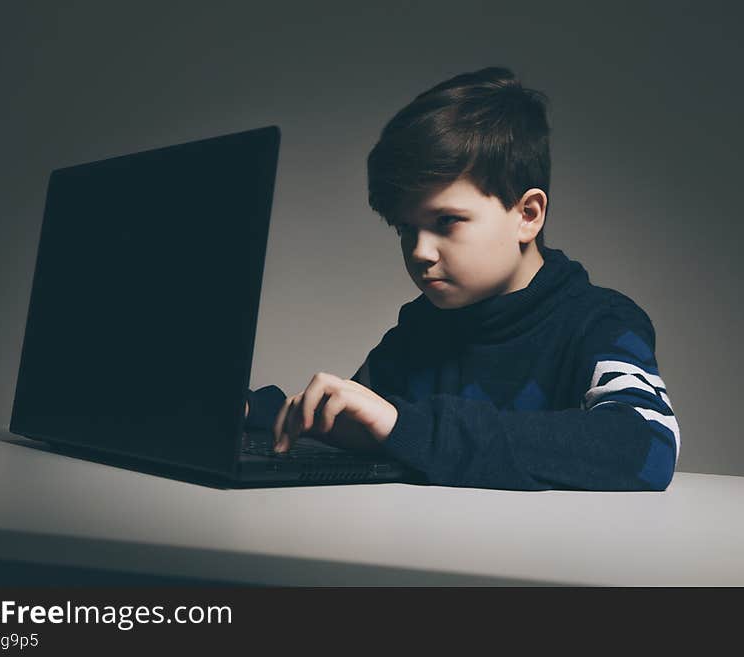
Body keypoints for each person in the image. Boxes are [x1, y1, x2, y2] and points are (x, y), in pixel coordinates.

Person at [243, 66, 680, 491]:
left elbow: (645, 446)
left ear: (527, 216)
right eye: (405, 229)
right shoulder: (421, 327)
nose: (419, 252)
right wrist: (249, 412)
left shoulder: (599, 321)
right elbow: (350, 420)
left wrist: (403, 426)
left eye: (447, 221)